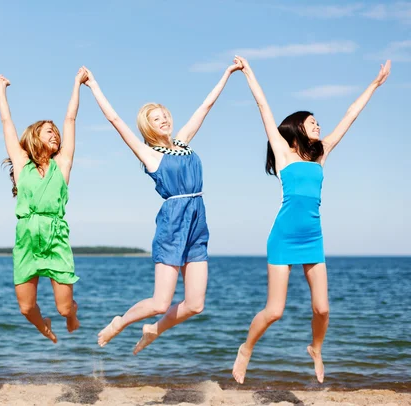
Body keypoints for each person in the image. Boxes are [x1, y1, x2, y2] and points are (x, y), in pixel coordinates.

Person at [231, 55, 391, 384]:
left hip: (312, 238)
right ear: (297, 128)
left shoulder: (321, 153)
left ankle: (316, 349)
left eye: (318, 122)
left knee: (323, 309)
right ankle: (246, 349)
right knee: (274, 311)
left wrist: (374, 84)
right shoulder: (283, 152)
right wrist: (248, 72)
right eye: (313, 121)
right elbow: (263, 107)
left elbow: (350, 115)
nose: (319, 125)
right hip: (283, 237)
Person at [83, 61, 243, 354]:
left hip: (198, 221)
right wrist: (93, 86)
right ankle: (121, 322)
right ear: (148, 127)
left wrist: (227, 74)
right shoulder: (149, 154)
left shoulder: (184, 143)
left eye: (165, 115)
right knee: (160, 302)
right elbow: (116, 120)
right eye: (156, 119)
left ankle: (154, 330)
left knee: (195, 304)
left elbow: (205, 107)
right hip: (172, 224)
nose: (164, 120)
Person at [0, 68, 87, 343]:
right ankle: (42, 325)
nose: (56, 135)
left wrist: (76, 84)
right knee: (25, 307)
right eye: (50, 132)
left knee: (63, 307)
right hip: (27, 237)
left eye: (56, 134)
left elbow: (70, 119)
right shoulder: (22, 164)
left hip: (56, 236)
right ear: (35, 136)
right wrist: (1, 90)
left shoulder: (63, 164)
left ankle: (72, 314)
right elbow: (6, 121)